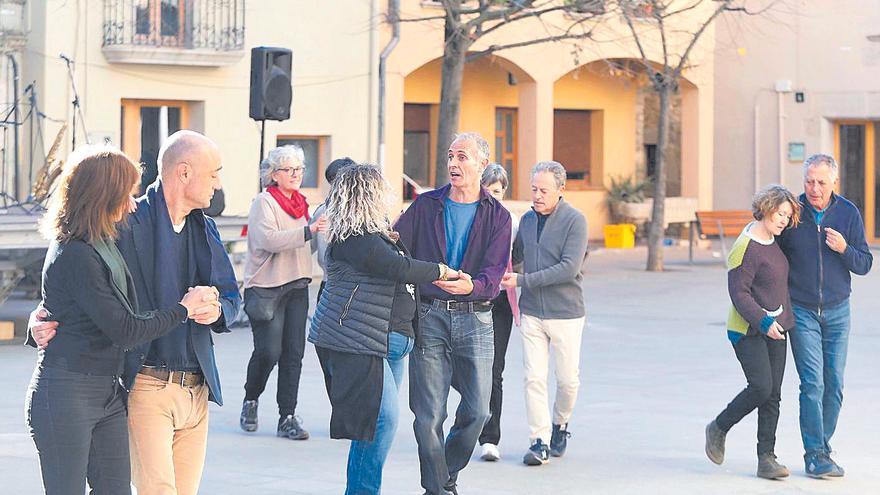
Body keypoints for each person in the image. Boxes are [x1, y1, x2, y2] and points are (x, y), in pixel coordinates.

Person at [30, 130, 242, 495]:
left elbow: (233, 298)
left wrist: (217, 309)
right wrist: (41, 316)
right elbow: (81, 281)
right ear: (185, 172)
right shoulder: (122, 223)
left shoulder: (205, 228)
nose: (218, 184)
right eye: (214, 173)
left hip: (193, 388)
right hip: (141, 381)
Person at [309, 164, 460, 495]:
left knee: (376, 426)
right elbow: (398, 268)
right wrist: (442, 271)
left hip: (388, 341)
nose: (387, 197)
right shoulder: (354, 239)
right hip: (362, 341)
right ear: (367, 196)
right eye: (381, 191)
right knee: (381, 422)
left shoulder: (374, 236)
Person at [395, 132, 511, 495]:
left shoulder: (498, 215)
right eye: (450, 156)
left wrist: (472, 287)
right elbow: (396, 247)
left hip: (476, 318)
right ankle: (437, 489)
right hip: (429, 316)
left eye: (462, 157)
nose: (453, 164)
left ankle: (444, 475)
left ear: (481, 164)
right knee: (428, 416)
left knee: (479, 412)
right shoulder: (426, 205)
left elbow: (494, 274)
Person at [777, 154, 873, 478]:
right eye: (809, 181)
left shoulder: (848, 213)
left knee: (834, 385)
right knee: (812, 384)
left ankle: (822, 446)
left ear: (834, 183)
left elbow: (864, 263)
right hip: (802, 310)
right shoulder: (793, 213)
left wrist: (845, 248)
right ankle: (815, 454)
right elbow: (771, 255)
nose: (814, 188)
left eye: (821, 182)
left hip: (837, 311)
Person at [705, 185, 802, 480]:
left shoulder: (774, 240)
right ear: (766, 208)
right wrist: (763, 322)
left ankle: (766, 458)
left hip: (777, 327)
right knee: (761, 387)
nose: (783, 220)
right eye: (779, 213)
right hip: (747, 329)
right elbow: (739, 293)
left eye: (787, 215)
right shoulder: (745, 246)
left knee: (773, 395)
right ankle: (719, 427)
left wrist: (783, 320)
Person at [500, 161, 588, 466]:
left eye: (543, 190)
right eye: (534, 189)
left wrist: (522, 280)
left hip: (566, 312)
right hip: (532, 313)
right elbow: (516, 257)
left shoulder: (575, 221)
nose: (536, 195)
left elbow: (569, 268)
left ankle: (560, 424)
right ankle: (539, 441)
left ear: (561, 190)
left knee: (567, 381)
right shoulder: (526, 221)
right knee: (533, 378)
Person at [239, 145, 327, 439]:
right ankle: (251, 398)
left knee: (294, 354)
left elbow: (311, 245)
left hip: (298, 284)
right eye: (288, 169)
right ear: (273, 174)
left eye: (299, 169)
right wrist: (308, 231)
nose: (295, 175)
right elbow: (268, 239)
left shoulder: (303, 204)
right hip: (266, 287)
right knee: (268, 352)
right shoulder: (264, 202)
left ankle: (287, 416)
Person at [477, 164, 521, 462]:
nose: (493, 195)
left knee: (495, 369)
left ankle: (490, 437)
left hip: (500, 302)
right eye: (488, 189)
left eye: (498, 190)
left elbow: (519, 260)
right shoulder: (468, 216)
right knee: (465, 367)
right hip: (471, 298)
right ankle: (469, 421)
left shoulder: (512, 221)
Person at [310, 156, 356, 302]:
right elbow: (307, 247)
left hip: (352, 287)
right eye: (333, 182)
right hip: (330, 285)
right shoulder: (322, 211)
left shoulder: (365, 212)